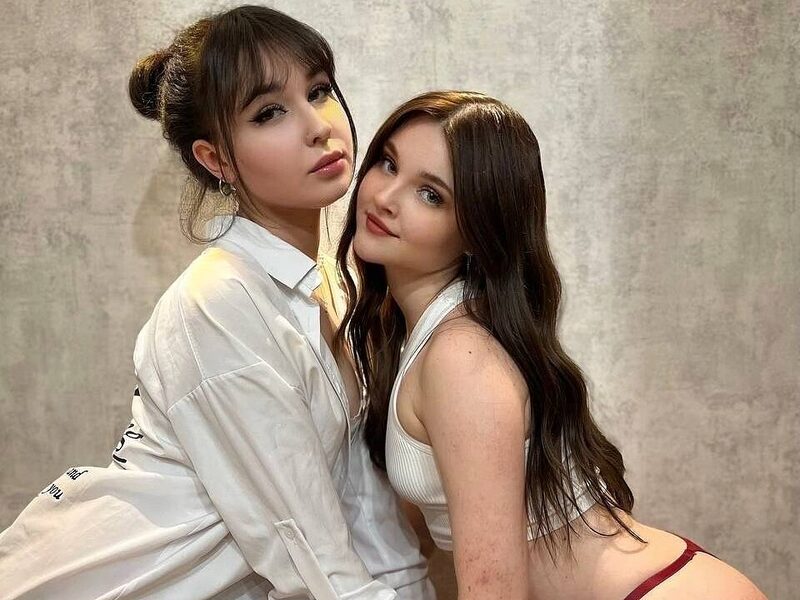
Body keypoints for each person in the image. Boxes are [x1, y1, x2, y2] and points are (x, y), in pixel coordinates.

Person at [0, 6, 434, 599]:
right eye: (269, 112)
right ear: (217, 159)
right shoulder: (219, 305)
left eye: (318, 90)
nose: (318, 126)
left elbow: (361, 511)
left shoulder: (328, 283)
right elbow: (310, 559)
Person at [335, 90, 766, 599]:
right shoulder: (427, 331)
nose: (385, 196)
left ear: (477, 230)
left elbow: (495, 594)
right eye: (388, 164)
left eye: (431, 194)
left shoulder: (459, 356)